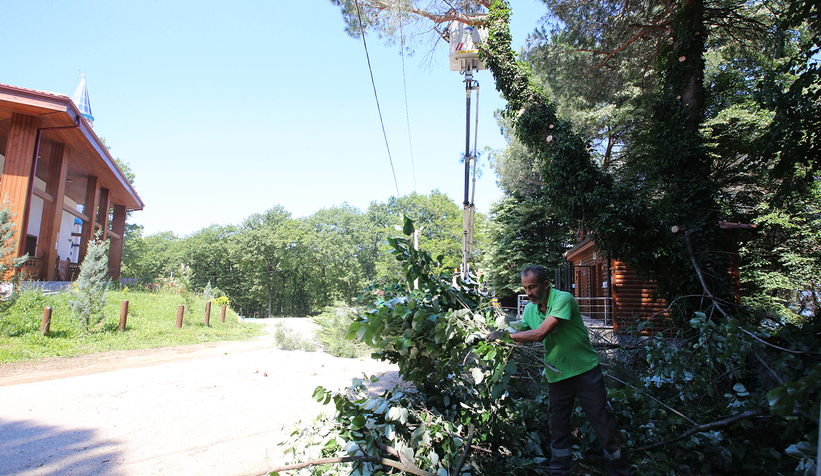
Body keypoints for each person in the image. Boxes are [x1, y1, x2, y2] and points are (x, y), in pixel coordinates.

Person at [486, 265, 630, 476]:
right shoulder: (529, 309)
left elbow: (539, 334)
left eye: (532, 287)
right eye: (525, 288)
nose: (528, 293)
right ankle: (560, 471)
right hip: (557, 375)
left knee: (602, 422)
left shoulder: (563, 299)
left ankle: (618, 470)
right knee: (558, 426)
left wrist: (504, 336)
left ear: (546, 284)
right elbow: (520, 334)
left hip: (584, 372)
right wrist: (493, 338)